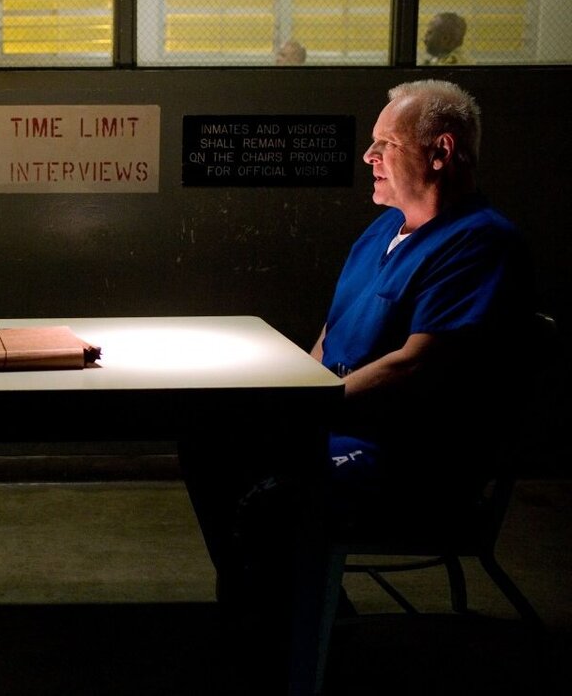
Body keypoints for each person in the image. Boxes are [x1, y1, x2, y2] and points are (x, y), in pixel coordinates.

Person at [182, 79, 533, 640]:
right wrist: (291, 397)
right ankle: (278, 607)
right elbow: (332, 334)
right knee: (209, 440)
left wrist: (304, 412)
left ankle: (293, 631)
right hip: (338, 425)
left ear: (440, 152)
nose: (369, 156)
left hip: (408, 457)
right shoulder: (383, 230)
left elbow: (415, 366)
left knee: (274, 497)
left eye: (386, 144)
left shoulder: (480, 244)